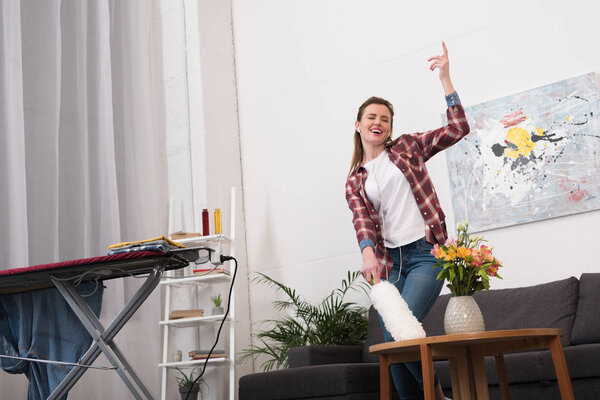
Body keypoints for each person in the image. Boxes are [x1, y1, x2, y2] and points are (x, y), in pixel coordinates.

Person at [345, 42, 470, 400]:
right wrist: (367, 253)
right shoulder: (355, 180)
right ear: (358, 125)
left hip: (426, 254)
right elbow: (362, 223)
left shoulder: (408, 148)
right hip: (391, 265)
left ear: (390, 128)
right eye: (372, 117)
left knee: (402, 330)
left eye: (384, 119)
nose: (378, 123)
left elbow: (458, 127)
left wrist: (445, 79)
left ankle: (438, 395)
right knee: (392, 340)